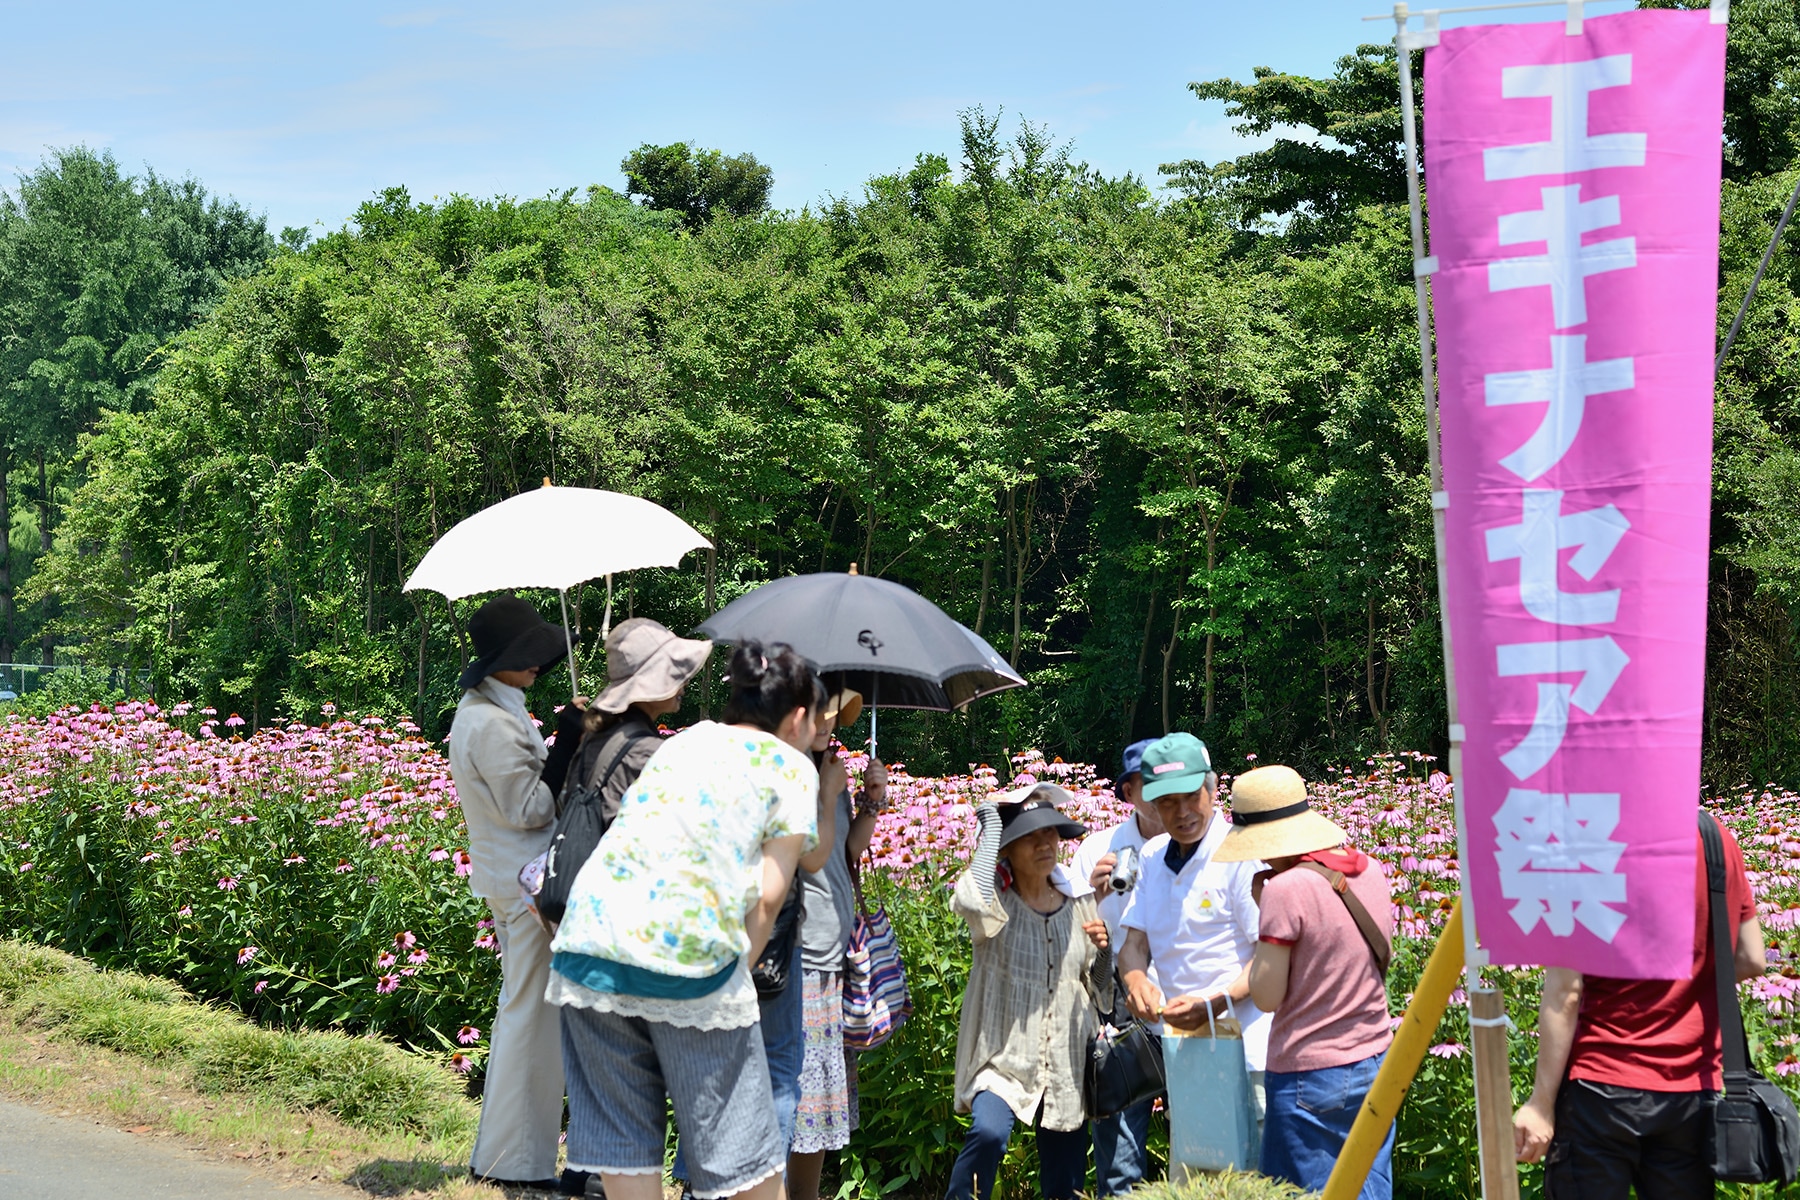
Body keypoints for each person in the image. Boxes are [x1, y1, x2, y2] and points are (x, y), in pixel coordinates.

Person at [547, 641, 823, 1200]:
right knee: (741, 1151)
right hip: (689, 960)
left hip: (589, 945)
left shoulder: (687, 740)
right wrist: (735, 978)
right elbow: (768, 900)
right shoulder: (790, 766)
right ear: (797, 718)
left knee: (623, 1142)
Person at [1512, 813, 1766, 1199]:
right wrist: (1685, 984)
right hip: (1690, 1089)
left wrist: (1541, 1104)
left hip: (1602, 1085)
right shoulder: (1717, 840)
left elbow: (1566, 991)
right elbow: (1751, 958)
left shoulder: (1588, 841)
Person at [553, 617, 712, 1199]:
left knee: (617, 1104)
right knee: (659, 1093)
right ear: (649, 685)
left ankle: (587, 1173)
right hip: (635, 937)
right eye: (674, 673)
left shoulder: (595, 741)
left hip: (582, 932)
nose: (684, 682)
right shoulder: (646, 753)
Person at [447, 595, 586, 1190]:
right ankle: (513, 1163)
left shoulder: (496, 710)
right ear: (499, 660)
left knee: (527, 1013)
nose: (538, 665)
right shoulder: (488, 722)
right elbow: (530, 809)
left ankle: (511, 1158)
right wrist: (565, 743)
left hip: (523, 882)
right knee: (529, 1016)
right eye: (526, 655)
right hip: (526, 887)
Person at [1217, 765, 1394, 1200]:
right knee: (1369, 1186)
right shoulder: (1370, 871)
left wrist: (1266, 911)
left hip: (1308, 1072)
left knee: (1306, 1192)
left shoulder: (1285, 889)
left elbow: (1267, 995)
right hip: (1375, 1057)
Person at [945, 782, 1111, 1200]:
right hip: (1003, 1053)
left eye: (1051, 833)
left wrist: (1106, 953)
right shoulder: (995, 901)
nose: (1045, 843)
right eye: (1031, 836)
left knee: (1066, 1174)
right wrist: (990, 826)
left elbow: (1099, 988)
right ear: (1008, 849)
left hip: (1067, 1058)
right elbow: (972, 897)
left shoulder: (1078, 901)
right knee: (988, 1131)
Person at [1118, 733, 1268, 1083]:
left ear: (1212, 790)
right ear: (1152, 805)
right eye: (1168, 802)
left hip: (1250, 1049)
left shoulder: (1240, 855)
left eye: (1191, 797)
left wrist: (1217, 1003)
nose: (1183, 813)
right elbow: (1133, 946)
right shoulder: (1153, 857)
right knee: (1199, 1140)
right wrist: (1136, 979)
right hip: (1186, 1051)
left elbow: (1269, 954)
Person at [789, 690, 889, 1200]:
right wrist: (826, 794)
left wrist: (870, 799)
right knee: (796, 1094)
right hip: (795, 950)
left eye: (835, 711)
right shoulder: (784, 771)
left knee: (819, 1100)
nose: (829, 721)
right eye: (820, 709)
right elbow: (804, 854)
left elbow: (847, 850)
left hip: (834, 946)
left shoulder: (830, 769)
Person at [1068, 737, 1163, 1196]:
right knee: (1121, 1163)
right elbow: (1065, 939)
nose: (1168, 796)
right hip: (1118, 1014)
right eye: (1152, 785)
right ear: (1128, 793)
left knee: (1207, 1152)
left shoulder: (1205, 845)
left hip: (1194, 1009)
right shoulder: (1098, 850)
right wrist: (1092, 898)